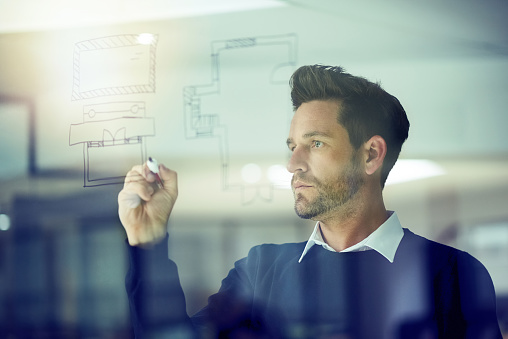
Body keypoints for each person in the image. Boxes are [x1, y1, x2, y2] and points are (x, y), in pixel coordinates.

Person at [118, 65, 502, 338]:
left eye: (315, 143)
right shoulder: (261, 269)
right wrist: (147, 243)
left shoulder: (454, 275)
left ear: (370, 155)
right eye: (292, 146)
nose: (293, 164)